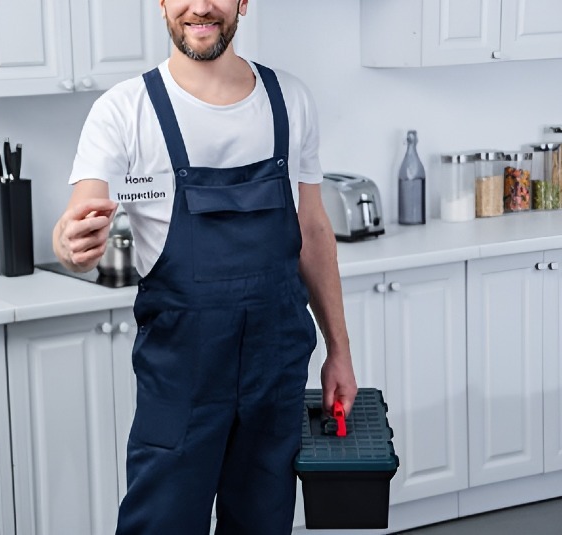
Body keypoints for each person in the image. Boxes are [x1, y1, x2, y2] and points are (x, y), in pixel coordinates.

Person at [53, 1, 357, 533]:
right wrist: (70, 242)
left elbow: (312, 232)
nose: (200, 6)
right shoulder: (125, 109)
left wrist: (340, 351)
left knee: (263, 524)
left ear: (242, 2)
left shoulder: (290, 100)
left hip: (276, 368)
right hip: (181, 377)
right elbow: (82, 211)